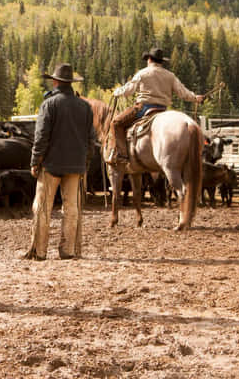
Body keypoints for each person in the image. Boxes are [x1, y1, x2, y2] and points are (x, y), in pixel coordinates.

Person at [26, 63, 95, 260]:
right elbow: (91, 140)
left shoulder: (49, 104)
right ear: (70, 83)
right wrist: (85, 163)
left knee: (42, 207)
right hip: (75, 166)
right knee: (71, 208)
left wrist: (35, 161)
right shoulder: (85, 107)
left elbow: (41, 137)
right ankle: (68, 250)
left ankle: (39, 251)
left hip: (51, 165)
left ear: (55, 81)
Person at [108, 47, 205, 165]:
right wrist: (195, 98)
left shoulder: (142, 73)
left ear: (149, 59)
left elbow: (129, 90)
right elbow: (183, 93)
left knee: (116, 123)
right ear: (161, 62)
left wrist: (116, 92)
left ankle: (122, 155)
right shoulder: (170, 76)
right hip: (163, 110)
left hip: (143, 108)